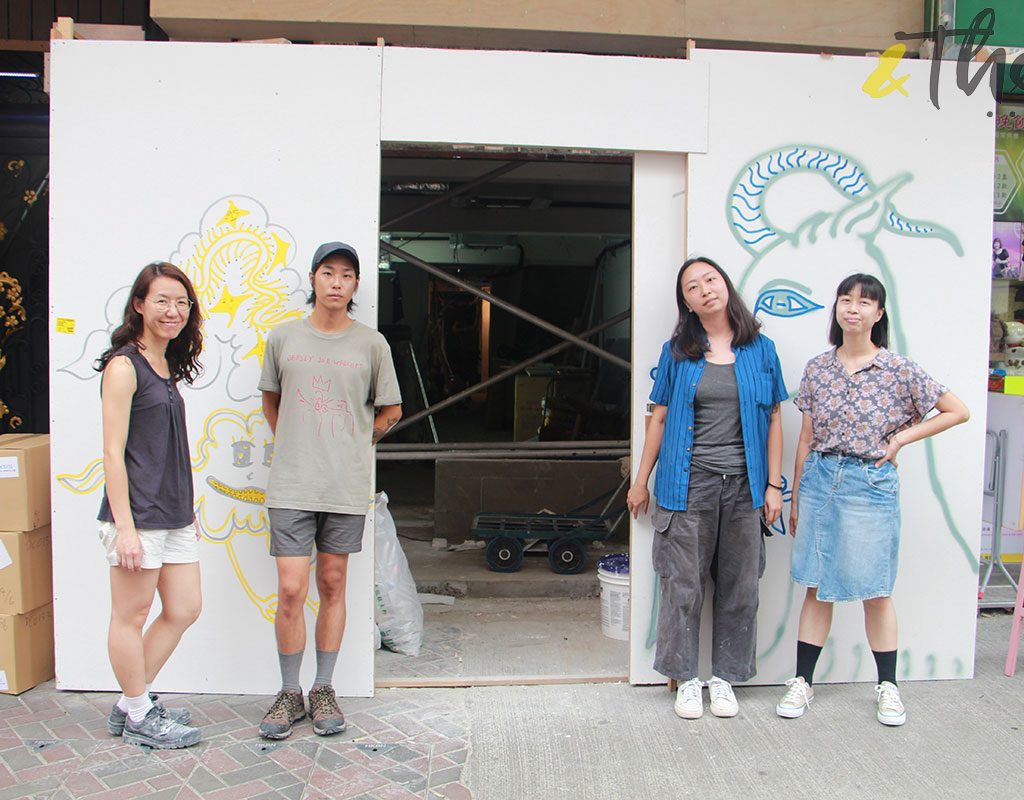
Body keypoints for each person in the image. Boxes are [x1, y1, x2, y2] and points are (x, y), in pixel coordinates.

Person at [776, 273, 969, 727]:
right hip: (822, 478)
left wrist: (901, 439)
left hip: (869, 483)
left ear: (879, 314)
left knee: (875, 590)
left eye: (865, 302)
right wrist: (798, 495)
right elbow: (805, 436)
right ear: (837, 309)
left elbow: (957, 410)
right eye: (846, 300)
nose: (854, 308)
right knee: (817, 585)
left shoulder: (898, 369)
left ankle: (888, 688)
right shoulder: (818, 368)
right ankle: (802, 682)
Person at [627, 256, 786, 720]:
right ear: (688, 304)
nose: (704, 290)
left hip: (744, 487)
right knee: (683, 586)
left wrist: (774, 487)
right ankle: (686, 680)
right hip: (688, 484)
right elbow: (658, 417)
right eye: (692, 287)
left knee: (741, 587)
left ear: (725, 286)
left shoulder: (762, 348)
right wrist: (641, 482)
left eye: (710, 280)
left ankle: (725, 679)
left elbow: (775, 418)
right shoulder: (677, 350)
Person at [258, 241, 402, 739]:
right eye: (327, 273)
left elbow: (390, 411)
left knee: (334, 584)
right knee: (292, 589)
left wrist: (353, 443)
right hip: (292, 485)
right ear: (314, 280)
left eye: (346, 275)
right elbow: (271, 403)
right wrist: (300, 442)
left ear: (356, 285)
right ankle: (288, 692)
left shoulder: (371, 344)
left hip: (344, 486)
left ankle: (323, 689)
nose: (336, 282)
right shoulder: (284, 338)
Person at [95, 262, 204, 749]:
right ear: (139, 304)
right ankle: (140, 711)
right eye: (162, 300)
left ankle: (129, 703)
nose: (173, 311)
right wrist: (124, 529)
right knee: (130, 615)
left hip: (174, 511)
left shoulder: (164, 364)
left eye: (182, 302)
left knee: (184, 608)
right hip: (137, 514)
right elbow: (112, 452)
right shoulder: (124, 365)